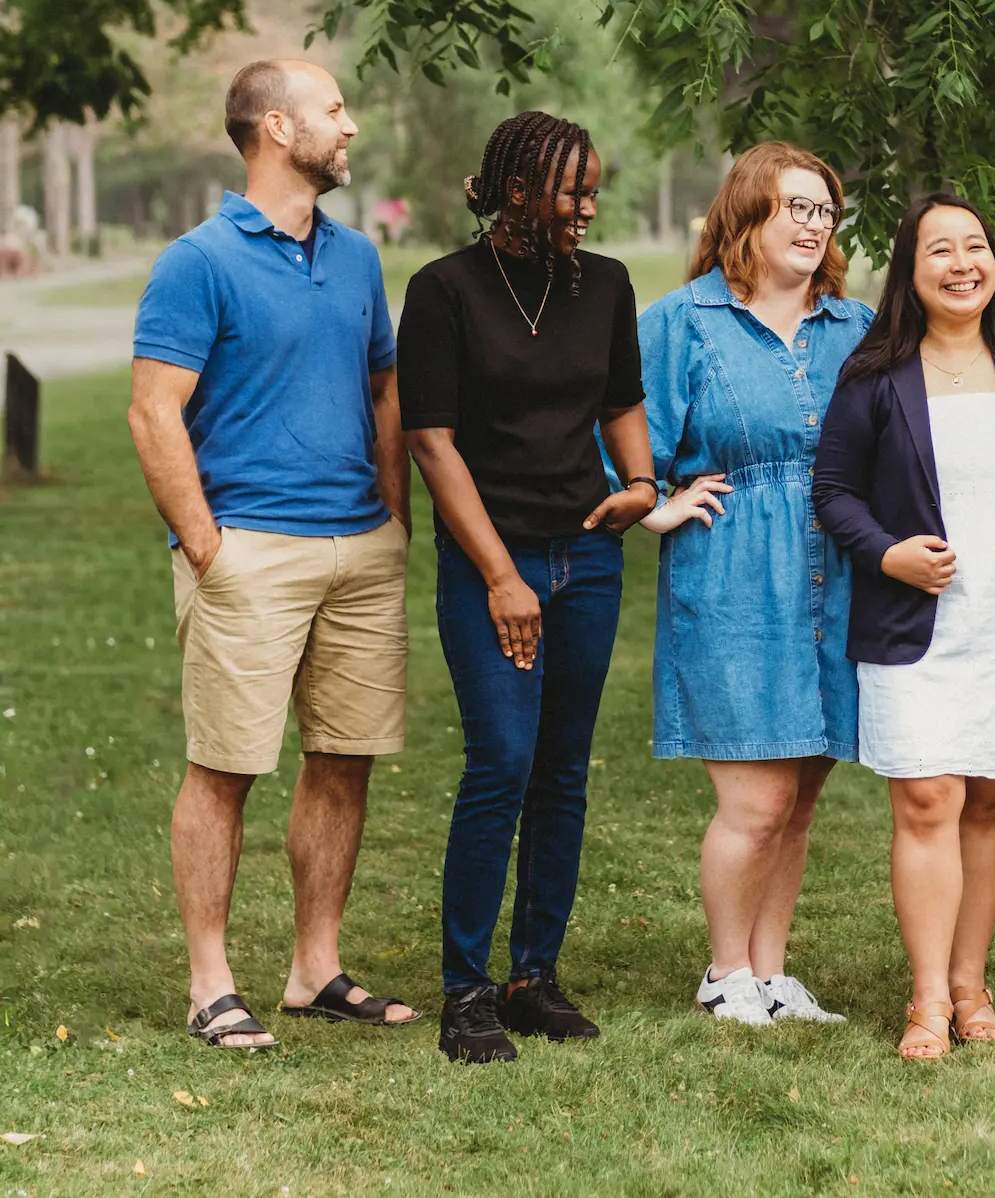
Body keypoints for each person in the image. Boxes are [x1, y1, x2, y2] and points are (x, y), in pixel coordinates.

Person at [128, 59, 416, 1050]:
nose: (351, 125)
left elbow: (386, 388)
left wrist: (394, 516)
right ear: (278, 127)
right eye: (334, 110)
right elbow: (153, 409)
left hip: (360, 549)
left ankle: (315, 967)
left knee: (343, 762)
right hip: (250, 550)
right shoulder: (197, 261)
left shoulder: (359, 258)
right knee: (225, 767)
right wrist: (206, 542)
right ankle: (210, 982)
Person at [812, 193, 995, 1060]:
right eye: (940, 249)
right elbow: (833, 493)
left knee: (984, 801)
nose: (961, 263)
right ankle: (926, 999)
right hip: (915, 623)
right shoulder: (875, 378)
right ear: (910, 270)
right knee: (927, 796)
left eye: (975, 246)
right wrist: (888, 553)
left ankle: (972, 986)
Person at [399, 112, 657, 1064]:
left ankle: (531, 978)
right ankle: (466, 991)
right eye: (570, 191)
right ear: (517, 192)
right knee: (500, 762)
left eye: (593, 190)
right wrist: (502, 575)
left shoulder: (608, 284)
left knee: (562, 769)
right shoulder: (444, 291)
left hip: (588, 556)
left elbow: (621, 400)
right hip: (490, 561)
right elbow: (432, 442)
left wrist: (640, 485)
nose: (587, 206)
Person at [624, 142, 871, 1026]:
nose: (814, 224)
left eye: (824, 210)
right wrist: (655, 505)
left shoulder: (857, 326)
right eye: (795, 206)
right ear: (746, 215)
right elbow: (613, 440)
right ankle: (725, 971)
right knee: (756, 799)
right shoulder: (681, 323)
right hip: (732, 577)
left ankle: (771, 975)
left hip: (836, 575)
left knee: (801, 795)